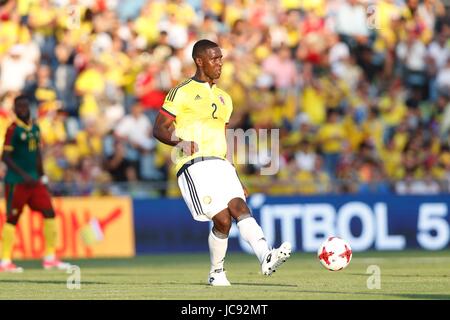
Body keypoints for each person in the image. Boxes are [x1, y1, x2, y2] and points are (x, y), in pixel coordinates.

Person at [153, 39, 291, 286]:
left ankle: (266, 255)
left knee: (239, 207)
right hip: (194, 164)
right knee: (223, 219)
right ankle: (216, 272)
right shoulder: (181, 91)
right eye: (214, 59)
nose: (220, 63)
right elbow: (159, 129)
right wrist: (180, 142)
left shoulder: (225, 98)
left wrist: (236, 176)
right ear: (199, 61)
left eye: (221, 59)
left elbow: (223, 141)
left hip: (221, 164)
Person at [0, 95, 71, 272]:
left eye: (24, 106)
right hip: (17, 182)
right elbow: (5, 157)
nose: (22, 109)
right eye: (19, 107)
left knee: (49, 212)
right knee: (13, 218)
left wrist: (42, 176)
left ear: (29, 107)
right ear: (15, 109)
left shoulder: (36, 128)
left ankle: (49, 257)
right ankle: (5, 260)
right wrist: (23, 175)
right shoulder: (13, 130)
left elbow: (37, 154)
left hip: (34, 181)